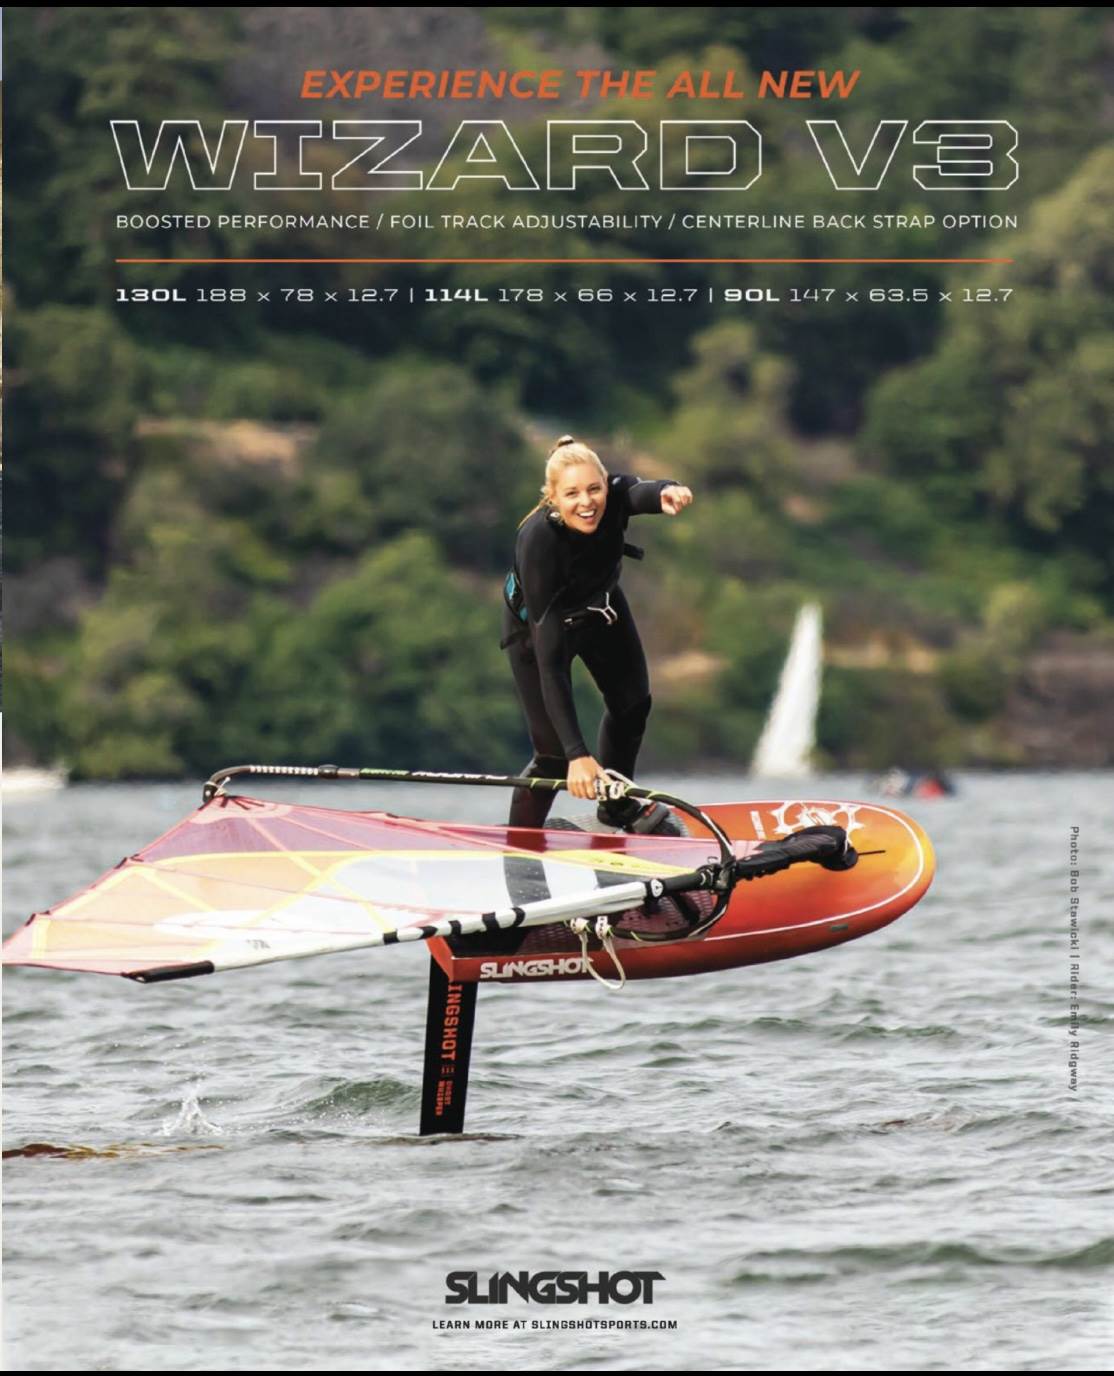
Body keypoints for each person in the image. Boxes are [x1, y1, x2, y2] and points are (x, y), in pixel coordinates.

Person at [501, 435, 693, 833]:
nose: (587, 502)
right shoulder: (538, 541)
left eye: (594, 489)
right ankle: (518, 844)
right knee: (553, 756)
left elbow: (639, 493)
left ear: (606, 484)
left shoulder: (615, 495)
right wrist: (577, 755)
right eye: (572, 494)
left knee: (632, 705)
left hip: (601, 611)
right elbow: (551, 665)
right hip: (538, 631)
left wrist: (667, 490)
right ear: (552, 497)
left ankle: (616, 808)